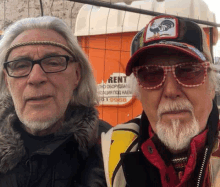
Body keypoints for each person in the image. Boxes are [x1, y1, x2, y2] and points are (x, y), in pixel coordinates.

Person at [102, 15, 220, 187]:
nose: (171, 91)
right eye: (151, 74)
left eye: (188, 71)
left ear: (211, 87)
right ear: (139, 92)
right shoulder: (108, 151)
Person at [0, 16, 110, 187]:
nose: (36, 78)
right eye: (21, 65)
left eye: (53, 63)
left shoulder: (113, 149)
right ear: (7, 80)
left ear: (76, 75)